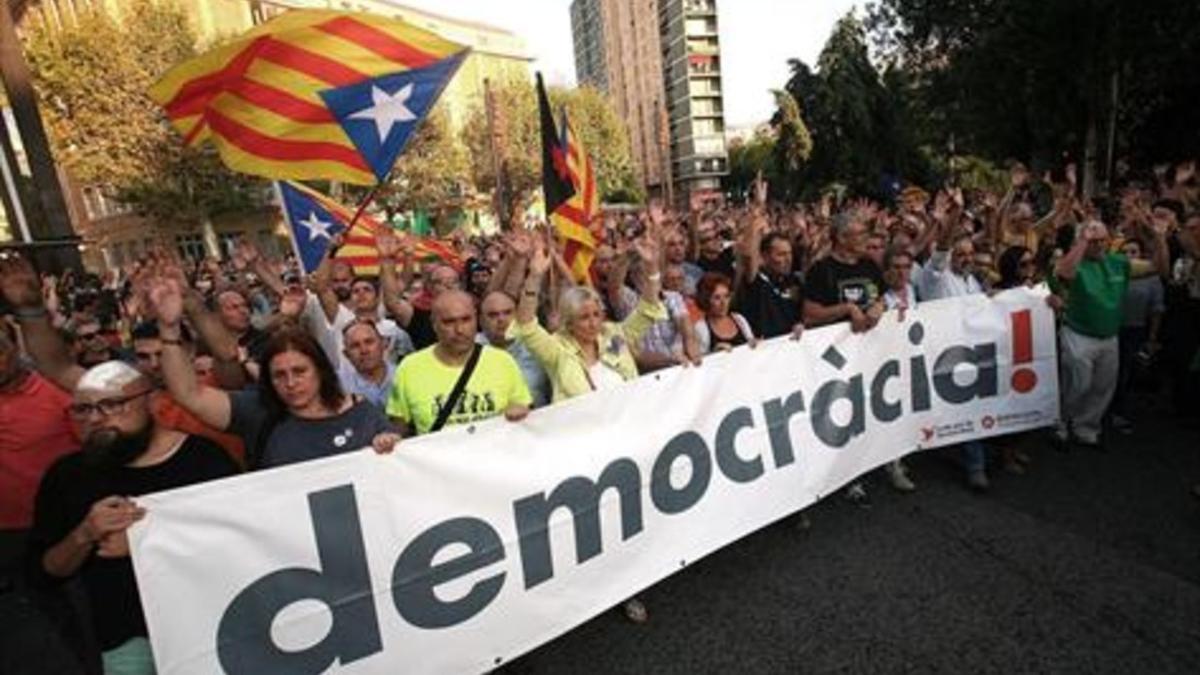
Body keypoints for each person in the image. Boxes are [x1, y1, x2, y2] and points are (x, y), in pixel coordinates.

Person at [26, 361, 238, 673]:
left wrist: (146, 543)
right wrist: (84, 535)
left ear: (151, 401)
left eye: (111, 405)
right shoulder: (67, 476)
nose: (95, 419)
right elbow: (43, 573)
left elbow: (240, 544)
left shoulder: (204, 460)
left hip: (210, 629)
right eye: (82, 410)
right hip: (124, 643)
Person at [149, 274, 396, 469]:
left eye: (299, 371)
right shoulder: (257, 413)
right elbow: (188, 394)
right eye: (279, 375)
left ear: (320, 370)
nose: (290, 382)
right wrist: (168, 329)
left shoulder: (362, 415)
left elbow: (402, 464)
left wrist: (392, 447)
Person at [1052, 220, 1169, 451]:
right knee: (1078, 384)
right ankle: (1061, 423)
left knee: (1102, 387)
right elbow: (1064, 273)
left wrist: (1159, 238)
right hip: (1078, 334)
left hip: (1109, 337)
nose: (1099, 246)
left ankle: (1087, 428)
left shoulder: (1118, 263)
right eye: (1094, 242)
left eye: (1103, 241)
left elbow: (1159, 267)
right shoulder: (1073, 262)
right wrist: (1083, 241)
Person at [803, 211, 886, 504]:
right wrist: (845, 310)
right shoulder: (821, 270)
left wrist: (878, 307)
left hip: (869, 355)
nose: (866, 239)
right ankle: (841, 476)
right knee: (839, 414)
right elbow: (810, 315)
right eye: (859, 234)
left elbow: (881, 296)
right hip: (835, 360)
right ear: (840, 238)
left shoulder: (869, 265)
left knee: (867, 410)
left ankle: (865, 465)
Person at [382, 289, 531, 438]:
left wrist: (521, 412)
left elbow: (525, 410)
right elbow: (399, 428)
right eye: (449, 322)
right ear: (434, 324)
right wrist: (388, 440)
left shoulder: (503, 362)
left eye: (466, 320)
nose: (459, 330)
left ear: (476, 320)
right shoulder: (410, 368)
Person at [916, 210, 993, 491]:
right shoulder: (934, 277)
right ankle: (975, 466)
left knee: (968, 408)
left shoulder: (971, 281)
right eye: (960, 254)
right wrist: (952, 217)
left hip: (969, 356)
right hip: (942, 357)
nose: (967, 259)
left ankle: (969, 457)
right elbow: (943, 247)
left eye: (970, 253)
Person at [1109, 237, 1165, 432]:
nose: (1129, 256)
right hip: (1111, 328)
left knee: (1126, 372)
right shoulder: (1112, 272)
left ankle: (1119, 412)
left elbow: (1156, 309)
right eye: (1125, 252)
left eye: (1133, 252)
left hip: (1135, 330)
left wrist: (1152, 338)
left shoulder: (1151, 278)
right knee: (1108, 373)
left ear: (1141, 254)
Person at [879, 245, 917, 492]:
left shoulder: (913, 291)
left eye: (906, 267)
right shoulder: (882, 300)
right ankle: (892, 465)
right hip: (887, 364)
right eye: (896, 267)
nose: (902, 273)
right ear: (886, 272)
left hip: (910, 359)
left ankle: (898, 458)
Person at [478, 290, 551, 408]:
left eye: (507, 313)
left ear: (517, 314)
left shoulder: (536, 344)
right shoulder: (468, 350)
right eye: (493, 315)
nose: (501, 319)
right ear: (481, 320)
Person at [337, 320, 396, 409]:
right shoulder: (337, 385)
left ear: (383, 343)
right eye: (355, 346)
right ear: (346, 354)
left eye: (369, 342)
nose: (364, 350)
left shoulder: (403, 375)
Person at [693, 272, 757, 354]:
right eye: (717, 298)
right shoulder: (700, 328)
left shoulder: (739, 319)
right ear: (706, 300)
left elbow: (752, 342)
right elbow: (700, 361)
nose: (723, 303)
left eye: (726, 296)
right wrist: (714, 353)